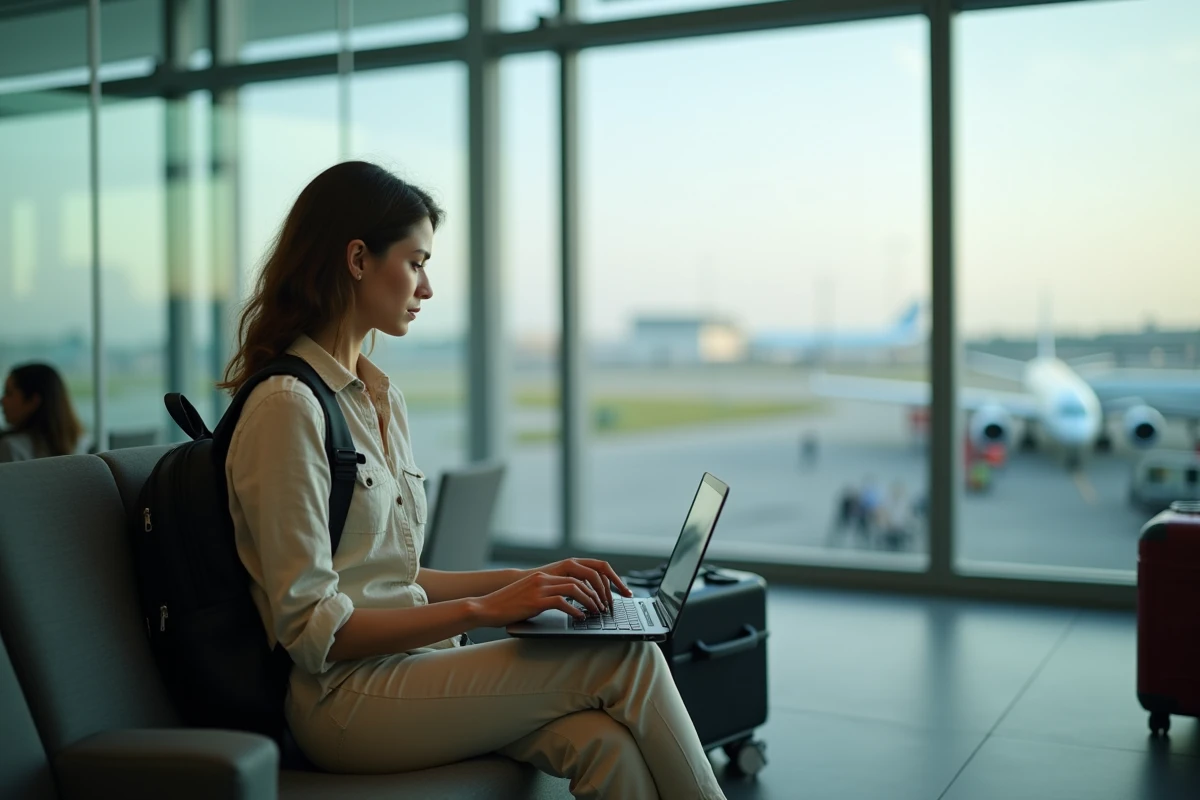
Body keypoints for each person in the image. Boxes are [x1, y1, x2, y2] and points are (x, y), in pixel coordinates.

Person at [219, 161, 725, 799]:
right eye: (416, 261)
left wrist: (534, 580)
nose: (426, 286)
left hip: (411, 670)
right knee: (628, 656)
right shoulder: (288, 407)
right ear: (356, 259)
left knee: (607, 745)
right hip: (343, 700)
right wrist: (488, 608)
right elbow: (313, 628)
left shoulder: (378, 398)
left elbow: (392, 581)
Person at [0, 362, 84, 463]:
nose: (2, 400)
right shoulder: (79, 443)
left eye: (9, 393)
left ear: (33, 401)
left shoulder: (11, 447)